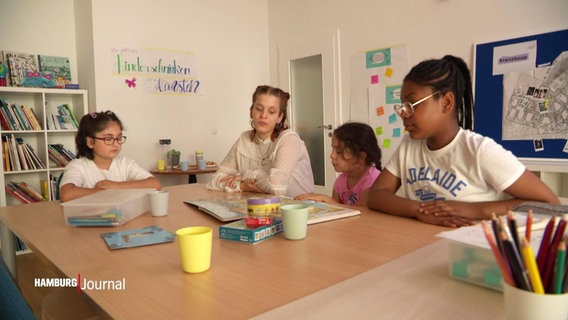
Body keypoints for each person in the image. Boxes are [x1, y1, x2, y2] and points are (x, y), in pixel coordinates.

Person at [368, 55, 560, 227]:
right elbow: (376, 196)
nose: (403, 113)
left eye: (411, 105)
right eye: (401, 106)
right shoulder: (408, 146)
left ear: (446, 103)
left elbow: (549, 203)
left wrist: (474, 210)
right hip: (420, 242)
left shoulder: (480, 150)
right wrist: (421, 210)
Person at [206, 85, 314, 197]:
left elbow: (276, 187)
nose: (263, 116)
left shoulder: (290, 139)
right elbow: (214, 182)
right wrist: (242, 186)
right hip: (263, 207)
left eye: (271, 112)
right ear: (251, 111)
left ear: (279, 117)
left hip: (299, 209)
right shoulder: (244, 139)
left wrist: (244, 177)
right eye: (259, 109)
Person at [59, 110, 161, 202]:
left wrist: (115, 186)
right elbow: (67, 194)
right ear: (90, 142)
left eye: (119, 138)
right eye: (108, 139)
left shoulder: (124, 163)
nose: (116, 144)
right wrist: (106, 192)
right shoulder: (79, 166)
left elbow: (155, 185)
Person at [295, 122, 382, 206]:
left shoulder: (373, 180)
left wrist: (325, 199)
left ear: (360, 157)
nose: (332, 156)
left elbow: (362, 214)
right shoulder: (341, 180)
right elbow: (335, 212)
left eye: (339, 151)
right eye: (333, 149)